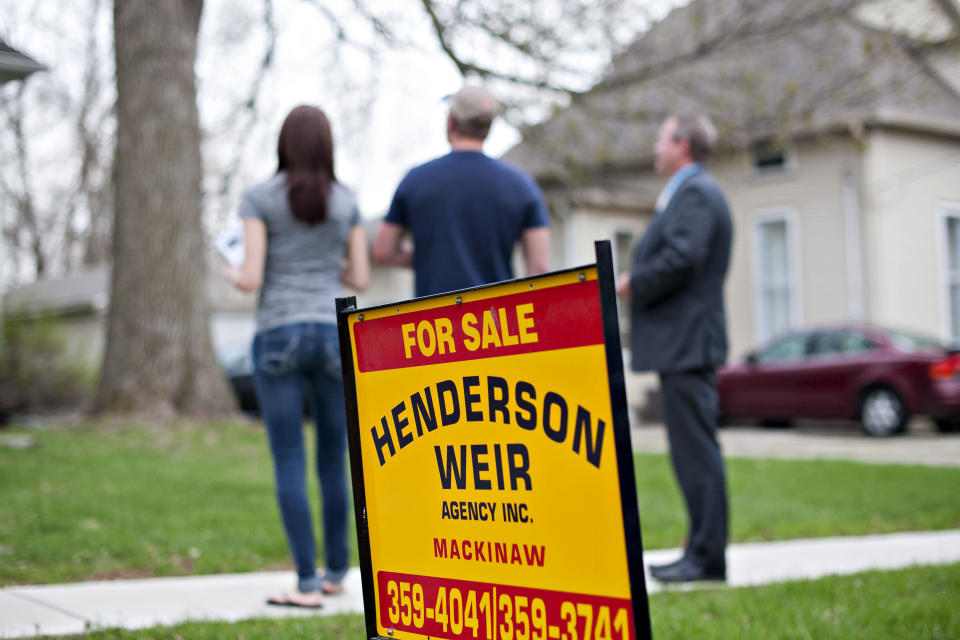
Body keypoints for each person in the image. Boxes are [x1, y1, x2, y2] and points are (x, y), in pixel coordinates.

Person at [226, 105, 370, 607]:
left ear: (283, 143)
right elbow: (361, 278)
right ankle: (336, 573)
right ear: (328, 145)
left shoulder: (260, 197)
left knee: (289, 457)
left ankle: (305, 584)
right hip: (334, 331)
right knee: (335, 460)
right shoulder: (346, 201)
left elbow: (251, 278)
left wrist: (232, 270)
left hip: (279, 333)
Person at [616, 113, 732, 583]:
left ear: (682, 145)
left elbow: (684, 257)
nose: (655, 149)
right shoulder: (689, 192)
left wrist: (633, 283)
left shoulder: (697, 193)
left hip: (689, 345)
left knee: (696, 454)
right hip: (683, 345)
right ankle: (701, 552)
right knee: (691, 453)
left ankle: (705, 559)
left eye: (661, 140)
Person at [373, 84, 550, 296]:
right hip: (497, 321)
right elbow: (539, 269)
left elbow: (383, 251)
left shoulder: (416, 180)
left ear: (451, 121)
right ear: (488, 127)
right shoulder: (521, 185)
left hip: (434, 323)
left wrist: (429, 258)